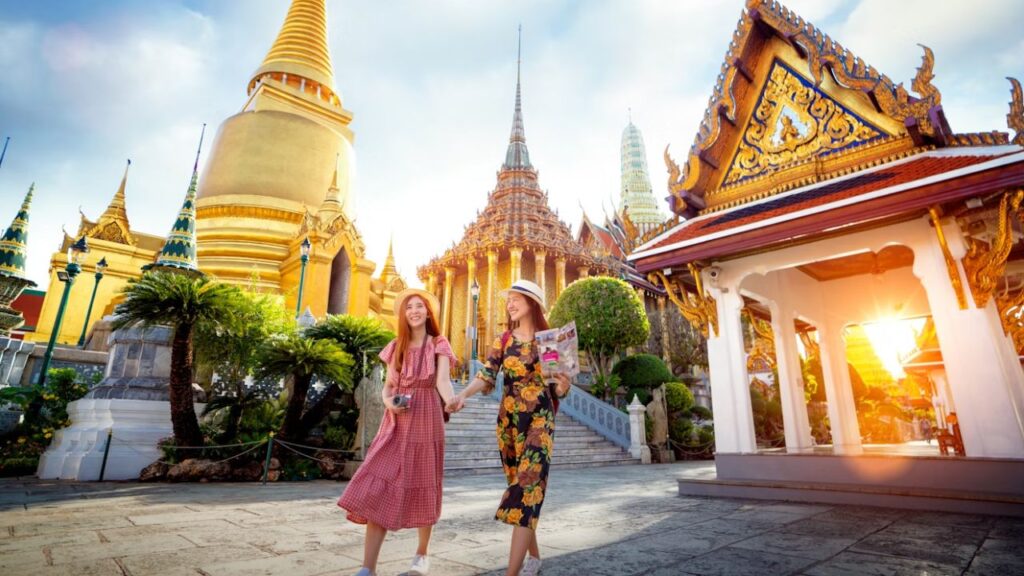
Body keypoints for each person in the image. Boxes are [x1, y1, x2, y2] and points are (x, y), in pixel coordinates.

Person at [448, 279, 571, 576]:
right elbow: (487, 375)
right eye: (509, 299)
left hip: (540, 419)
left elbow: (559, 389)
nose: (510, 304)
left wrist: (564, 384)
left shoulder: (550, 342)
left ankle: (511, 573)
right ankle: (535, 558)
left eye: (517, 298)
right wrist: (462, 395)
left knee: (529, 486)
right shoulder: (503, 340)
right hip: (509, 423)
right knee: (520, 489)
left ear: (532, 304)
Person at [338, 288, 458, 576]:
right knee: (377, 485)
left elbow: (442, 381)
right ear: (403, 314)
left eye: (420, 306)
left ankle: (422, 553)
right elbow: (388, 386)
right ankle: (368, 567)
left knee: (424, 483)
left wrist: (452, 399)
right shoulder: (396, 346)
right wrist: (388, 401)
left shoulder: (439, 343)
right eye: (409, 307)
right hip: (396, 421)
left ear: (428, 312)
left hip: (427, 418)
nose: (414, 311)